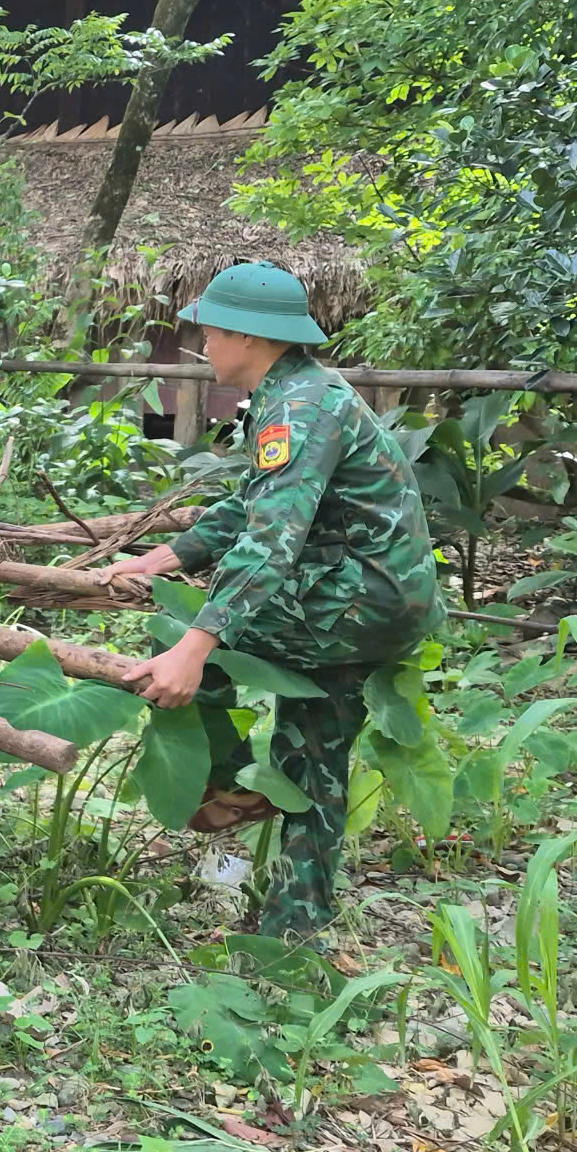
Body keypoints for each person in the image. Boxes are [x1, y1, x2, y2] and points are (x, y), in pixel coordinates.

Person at [106, 262, 439, 940]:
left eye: (211, 333)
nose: (203, 347)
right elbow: (253, 505)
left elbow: (269, 541)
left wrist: (195, 646)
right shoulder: (305, 393)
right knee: (314, 759)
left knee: (173, 638)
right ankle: (292, 930)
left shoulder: (298, 407)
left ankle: (224, 793)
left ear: (248, 336)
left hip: (350, 602)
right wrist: (166, 556)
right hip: (377, 603)